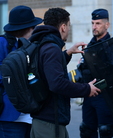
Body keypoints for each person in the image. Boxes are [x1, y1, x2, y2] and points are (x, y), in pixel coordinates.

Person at [29, 7, 101, 138]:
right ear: (62, 27)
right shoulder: (52, 48)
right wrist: (86, 89)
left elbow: (47, 68)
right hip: (50, 122)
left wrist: (67, 54)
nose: (68, 29)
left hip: (46, 120)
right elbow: (57, 83)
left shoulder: (43, 43)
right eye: (68, 26)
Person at [78, 9, 113, 138]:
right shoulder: (89, 47)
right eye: (93, 23)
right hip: (89, 96)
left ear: (107, 25)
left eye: (98, 23)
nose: (94, 27)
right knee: (86, 130)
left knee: (106, 131)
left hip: (106, 97)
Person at [0, 5, 43, 138]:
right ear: (29, 28)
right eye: (33, 27)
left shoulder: (31, 45)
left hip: (31, 114)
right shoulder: (3, 43)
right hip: (10, 116)